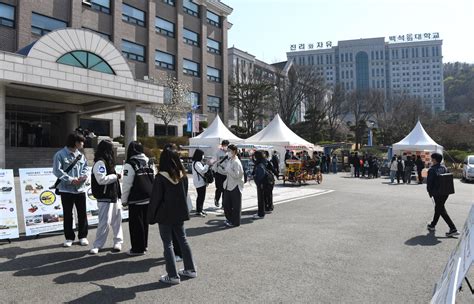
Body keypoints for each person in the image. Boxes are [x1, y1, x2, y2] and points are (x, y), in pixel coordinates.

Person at [148, 146, 197, 285]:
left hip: (165, 215)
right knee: (183, 239)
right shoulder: (183, 176)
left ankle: (173, 275)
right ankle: (190, 269)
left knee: (168, 244)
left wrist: (151, 215)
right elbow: (184, 194)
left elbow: (156, 199)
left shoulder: (160, 177)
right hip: (179, 213)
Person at [52, 133, 89, 247]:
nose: (83, 143)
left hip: (80, 189)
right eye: (81, 141)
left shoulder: (81, 155)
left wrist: (83, 177)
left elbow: (86, 168)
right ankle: (69, 237)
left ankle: (83, 236)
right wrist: (71, 180)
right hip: (66, 190)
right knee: (68, 215)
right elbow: (57, 171)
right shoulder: (60, 154)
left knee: (82, 214)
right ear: (75, 142)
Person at [90, 140, 123, 254]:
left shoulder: (108, 161)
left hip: (114, 195)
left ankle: (118, 241)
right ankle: (97, 245)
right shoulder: (100, 162)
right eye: (111, 148)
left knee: (117, 220)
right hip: (105, 196)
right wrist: (116, 176)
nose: (113, 150)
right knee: (104, 222)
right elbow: (101, 180)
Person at [122, 141, 154, 256]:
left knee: (136, 224)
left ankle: (137, 248)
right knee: (145, 222)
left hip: (136, 197)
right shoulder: (150, 161)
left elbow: (127, 184)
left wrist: (124, 200)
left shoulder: (130, 164)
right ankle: (144, 245)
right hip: (149, 196)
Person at [426, 153, 459, 237]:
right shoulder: (444, 168)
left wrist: (430, 192)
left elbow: (429, 183)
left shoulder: (432, 170)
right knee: (439, 208)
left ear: (434, 160)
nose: (431, 160)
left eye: (432, 158)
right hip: (445, 192)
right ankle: (432, 225)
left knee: (440, 210)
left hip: (437, 193)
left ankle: (453, 228)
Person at [219, 144, 244, 227]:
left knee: (236, 205)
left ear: (234, 152)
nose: (228, 152)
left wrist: (228, 170)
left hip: (235, 185)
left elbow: (237, 175)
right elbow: (226, 172)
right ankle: (229, 219)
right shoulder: (230, 160)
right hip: (228, 185)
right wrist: (220, 168)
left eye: (229, 151)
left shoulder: (237, 162)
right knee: (226, 204)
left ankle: (235, 222)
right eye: (227, 150)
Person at [192, 149, 209, 217]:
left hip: (198, 182)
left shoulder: (195, 162)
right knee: (201, 196)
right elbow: (202, 171)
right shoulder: (197, 163)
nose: (203, 156)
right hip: (200, 182)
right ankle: (199, 210)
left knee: (201, 196)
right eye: (202, 155)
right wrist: (207, 165)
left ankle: (200, 209)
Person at [213, 140, 229, 208]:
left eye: (226, 145)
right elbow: (213, 160)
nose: (225, 146)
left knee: (225, 190)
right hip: (219, 173)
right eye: (224, 145)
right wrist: (214, 170)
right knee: (219, 188)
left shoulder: (229, 153)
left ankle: (224, 204)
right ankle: (216, 199)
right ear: (222, 145)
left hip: (227, 174)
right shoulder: (217, 152)